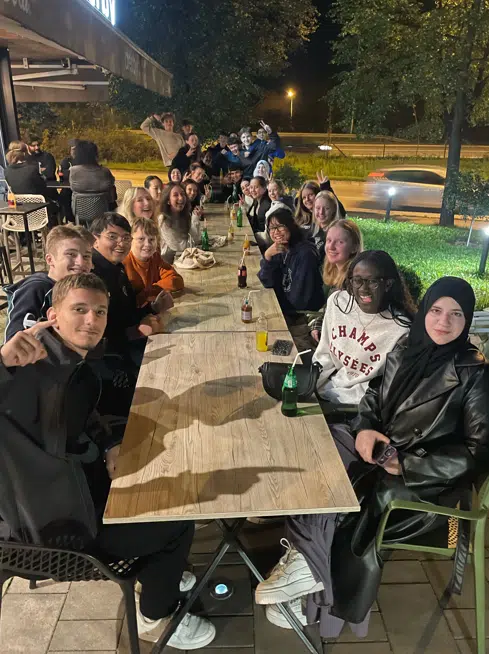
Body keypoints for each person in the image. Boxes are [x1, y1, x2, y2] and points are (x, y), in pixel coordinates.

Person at [255, 277, 489, 642]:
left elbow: (478, 453)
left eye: (456, 314)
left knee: (349, 496)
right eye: (436, 310)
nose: (444, 322)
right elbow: (374, 398)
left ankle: (314, 595)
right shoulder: (406, 347)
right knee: (319, 459)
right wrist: (365, 428)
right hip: (381, 450)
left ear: (468, 318)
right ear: (424, 311)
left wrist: (406, 465)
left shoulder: (473, 373)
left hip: (427, 483)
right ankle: (305, 565)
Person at [0, 272, 216, 649]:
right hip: (55, 532)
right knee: (177, 521)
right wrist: (1, 363)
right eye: (79, 310)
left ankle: (159, 573)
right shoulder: (26, 369)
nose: (92, 320)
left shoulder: (72, 364)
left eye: (99, 311)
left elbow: (83, 417)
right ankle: (156, 614)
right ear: (52, 315)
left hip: (82, 495)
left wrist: (108, 443)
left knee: (171, 473)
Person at [313, 250, 414, 405]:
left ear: (388, 284)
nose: (363, 289)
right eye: (357, 280)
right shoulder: (338, 303)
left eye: (372, 281)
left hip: (357, 405)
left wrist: (335, 400)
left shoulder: (400, 330)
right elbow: (324, 353)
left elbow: (385, 387)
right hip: (325, 388)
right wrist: (310, 384)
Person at [90, 213, 165, 363]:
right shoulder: (91, 276)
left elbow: (127, 315)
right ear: (95, 240)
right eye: (112, 237)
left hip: (129, 344)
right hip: (111, 360)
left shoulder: (118, 268)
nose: (121, 243)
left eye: (126, 238)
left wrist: (153, 308)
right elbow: (91, 339)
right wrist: (134, 333)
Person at [4, 224, 94, 342]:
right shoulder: (36, 289)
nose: (81, 262)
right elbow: (13, 342)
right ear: (50, 260)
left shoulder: (80, 288)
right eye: (71, 254)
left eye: (86, 256)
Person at [258, 208, 324, 319]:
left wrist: (277, 302)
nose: (276, 231)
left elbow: (300, 300)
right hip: (285, 307)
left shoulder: (306, 255)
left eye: (280, 226)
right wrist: (268, 256)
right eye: (272, 228)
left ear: (291, 227)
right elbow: (267, 282)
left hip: (301, 316)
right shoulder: (281, 248)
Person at [309, 219, 364, 343]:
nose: (331, 247)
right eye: (329, 240)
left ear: (354, 247)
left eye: (340, 242)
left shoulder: (355, 281)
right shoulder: (335, 271)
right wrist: (317, 325)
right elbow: (329, 308)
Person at [124, 217, 184, 305]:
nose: (147, 244)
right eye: (141, 239)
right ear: (130, 240)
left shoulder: (155, 258)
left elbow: (176, 280)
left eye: (151, 239)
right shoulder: (123, 263)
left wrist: (148, 292)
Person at [158, 184, 200, 263]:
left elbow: (194, 240)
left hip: (184, 259)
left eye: (183, 194)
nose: (181, 198)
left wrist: (195, 219)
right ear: (168, 201)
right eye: (175, 195)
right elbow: (178, 248)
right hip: (168, 264)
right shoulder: (163, 219)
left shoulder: (186, 215)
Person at [69, 140, 116, 211]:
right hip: (103, 211)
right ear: (95, 154)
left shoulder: (73, 171)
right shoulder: (105, 171)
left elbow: (72, 187)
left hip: (80, 211)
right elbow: (112, 194)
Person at [58, 139, 78, 223]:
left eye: (76, 149)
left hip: (80, 189)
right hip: (68, 188)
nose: (75, 151)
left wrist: (70, 172)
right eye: (73, 149)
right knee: (63, 196)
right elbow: (62, 174)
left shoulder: (85, 161)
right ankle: (68, 219)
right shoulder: (66, 161)